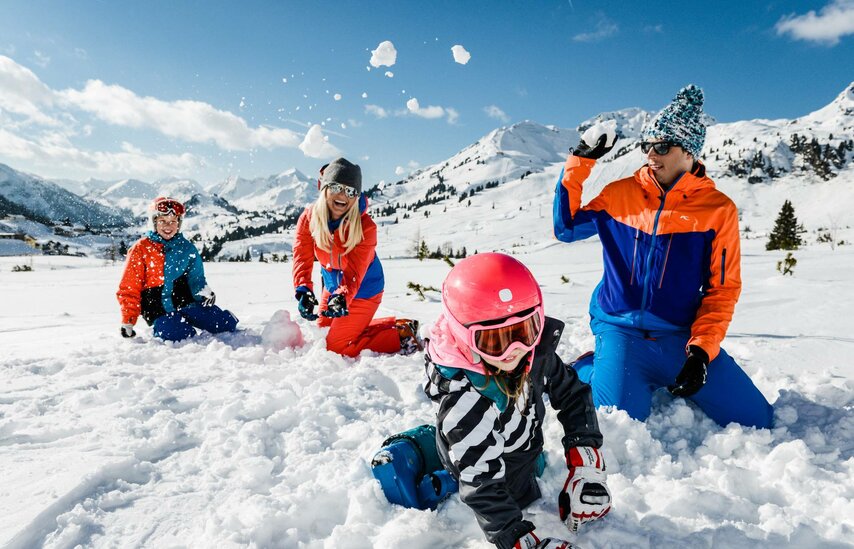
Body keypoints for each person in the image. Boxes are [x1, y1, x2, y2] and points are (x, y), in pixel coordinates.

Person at [552, 84, 773, 429]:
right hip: (620, 328)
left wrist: (701, 352)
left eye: (662, 146)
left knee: (757, 419)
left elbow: (722, 289)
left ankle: (649, 369)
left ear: (689, 152)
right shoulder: (618, 194)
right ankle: (593, 365)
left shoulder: (718, 210)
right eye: (647, 146)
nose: (651, 155)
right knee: (617, 426)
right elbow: (566, 228)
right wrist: (580, 161)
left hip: (679, 336)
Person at [424, 253, 611, 549]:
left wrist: (586, 462)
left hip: (520, 444)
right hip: (500, 473)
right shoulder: (467, 401)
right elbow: (483, 487)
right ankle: (443, 466)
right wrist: (520, 541)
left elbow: (573, 394)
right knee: (512, 488)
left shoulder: (533, 354)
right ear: (464, 337)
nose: (514, 350)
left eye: (525, 331)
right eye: (494, 341)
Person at [292, 157, 420, 357]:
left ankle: (400, 336)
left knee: (336, 348)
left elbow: (355, 273)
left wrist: (342, 297)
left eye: (351, 191)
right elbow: (302, 256)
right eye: (336, 187)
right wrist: (303, 289)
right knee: (322, 331)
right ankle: (395, 325)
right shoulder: (308, 218)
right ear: (324, 188)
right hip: (334, 286)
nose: (343, 195)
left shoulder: (366, 227)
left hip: (363, 288)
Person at [117, 196, 238, 341]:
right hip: (157, 308)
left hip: (185, 302)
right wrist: (128, 320)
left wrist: (204, 292)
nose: (168, 226)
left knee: (225, 325)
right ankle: (171, 325)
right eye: (163, 221)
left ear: (178, 224)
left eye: (173, 222)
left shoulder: (187, 248)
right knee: (178, 335)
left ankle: (198, 318)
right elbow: (129, 287)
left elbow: (196, 278)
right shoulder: (141, 249)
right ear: (154, 222)